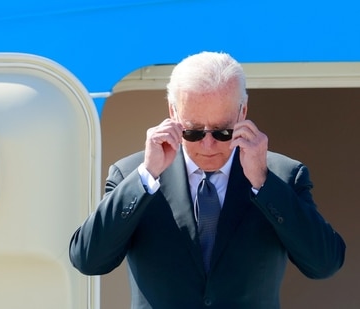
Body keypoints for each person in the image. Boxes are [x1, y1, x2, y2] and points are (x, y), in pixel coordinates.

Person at [69, 51, 346, 309]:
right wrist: (146, 176)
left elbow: (324, 264)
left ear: (243, 112)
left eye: (222, 131)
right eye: (194, 132)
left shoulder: (282, 174)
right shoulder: (133, 173)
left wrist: (263, 182)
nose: (209, 144)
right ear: (173, 113)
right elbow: (88, 259)